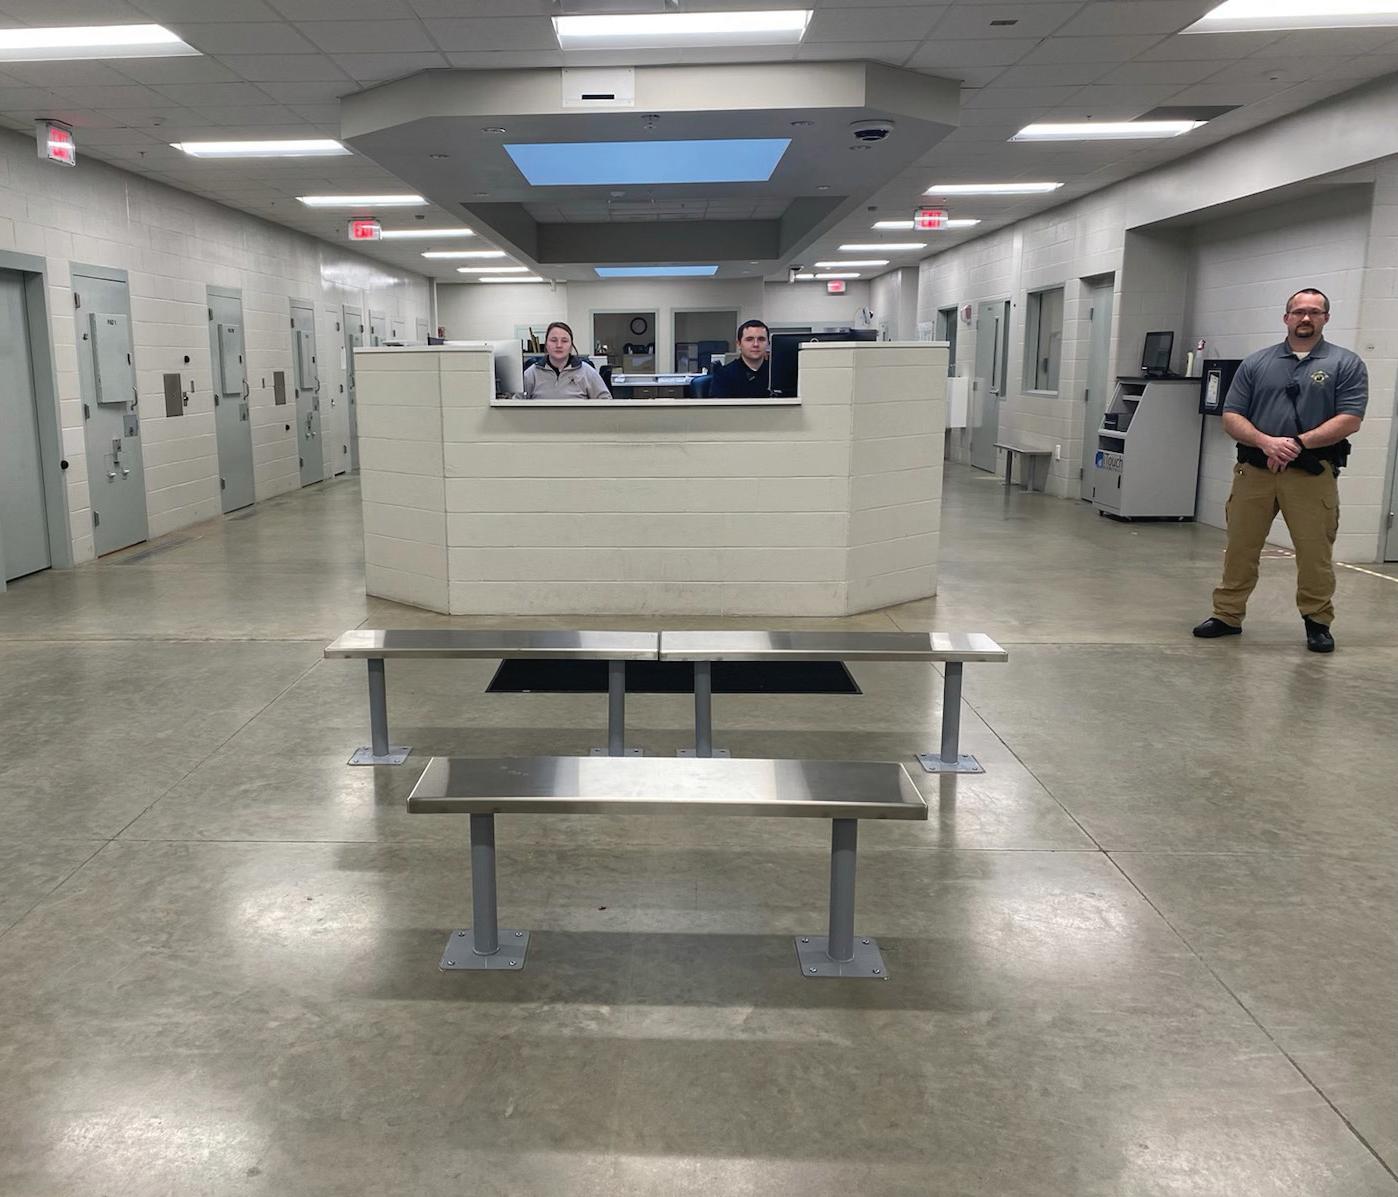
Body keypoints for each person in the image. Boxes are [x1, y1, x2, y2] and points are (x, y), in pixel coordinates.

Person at [1193, 288, 1367, 653]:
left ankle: (1317, 621)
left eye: (1314, 312)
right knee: (1240, 547)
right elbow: (1232, 416)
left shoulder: (1345, 363)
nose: (1306, 318)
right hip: (1255, 470)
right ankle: (1227, 615)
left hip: (1310, 473)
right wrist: (1266, 442)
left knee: (1314, 551)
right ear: (1286, 317)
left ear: (1326, 318)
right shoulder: (1257, 363)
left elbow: (1350, 418)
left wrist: (1297, 444)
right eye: (1299, 311)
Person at [523, 321, 611, 401]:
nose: (559, 345)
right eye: (553, 340)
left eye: (564, 341)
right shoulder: (532, 373)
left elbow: (606, 402)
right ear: (546, 344)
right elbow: (517, 402)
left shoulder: (587, 372)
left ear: (571, 346)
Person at [709, 319, 771, 398]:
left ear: (768, 344)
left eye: (761, 339)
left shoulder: (778, 373)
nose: (756, 344)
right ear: (739, 344)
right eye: (749, 339)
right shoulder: (723, 375)